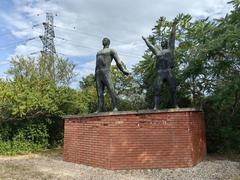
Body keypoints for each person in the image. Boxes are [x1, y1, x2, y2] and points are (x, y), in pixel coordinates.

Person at [142, 19, 178, 110]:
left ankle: (175, 105)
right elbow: (151, 46)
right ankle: (156, 106)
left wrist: (174, 26)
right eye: (161, 42)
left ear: (166, 44)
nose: (162, 43)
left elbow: (172, 37)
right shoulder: (158, 52)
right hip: (159, 72)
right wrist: (146, 40)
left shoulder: (170, 49)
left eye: (163, 42)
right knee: (157, 89)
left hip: (168, 71)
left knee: (173, 89)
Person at [95, 37, 130, 112]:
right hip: (98, 73)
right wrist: (95, 75)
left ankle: (115, 106)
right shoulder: (98, 52)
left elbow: (118, 62)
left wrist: (123, 70)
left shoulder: (112, 50)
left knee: (111, 89)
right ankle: (100, 108)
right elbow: (96, 64)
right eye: (103, 40)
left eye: (105, 40)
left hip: (106, 71)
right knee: (99, 92)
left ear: (108, 42)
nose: (103, 40)